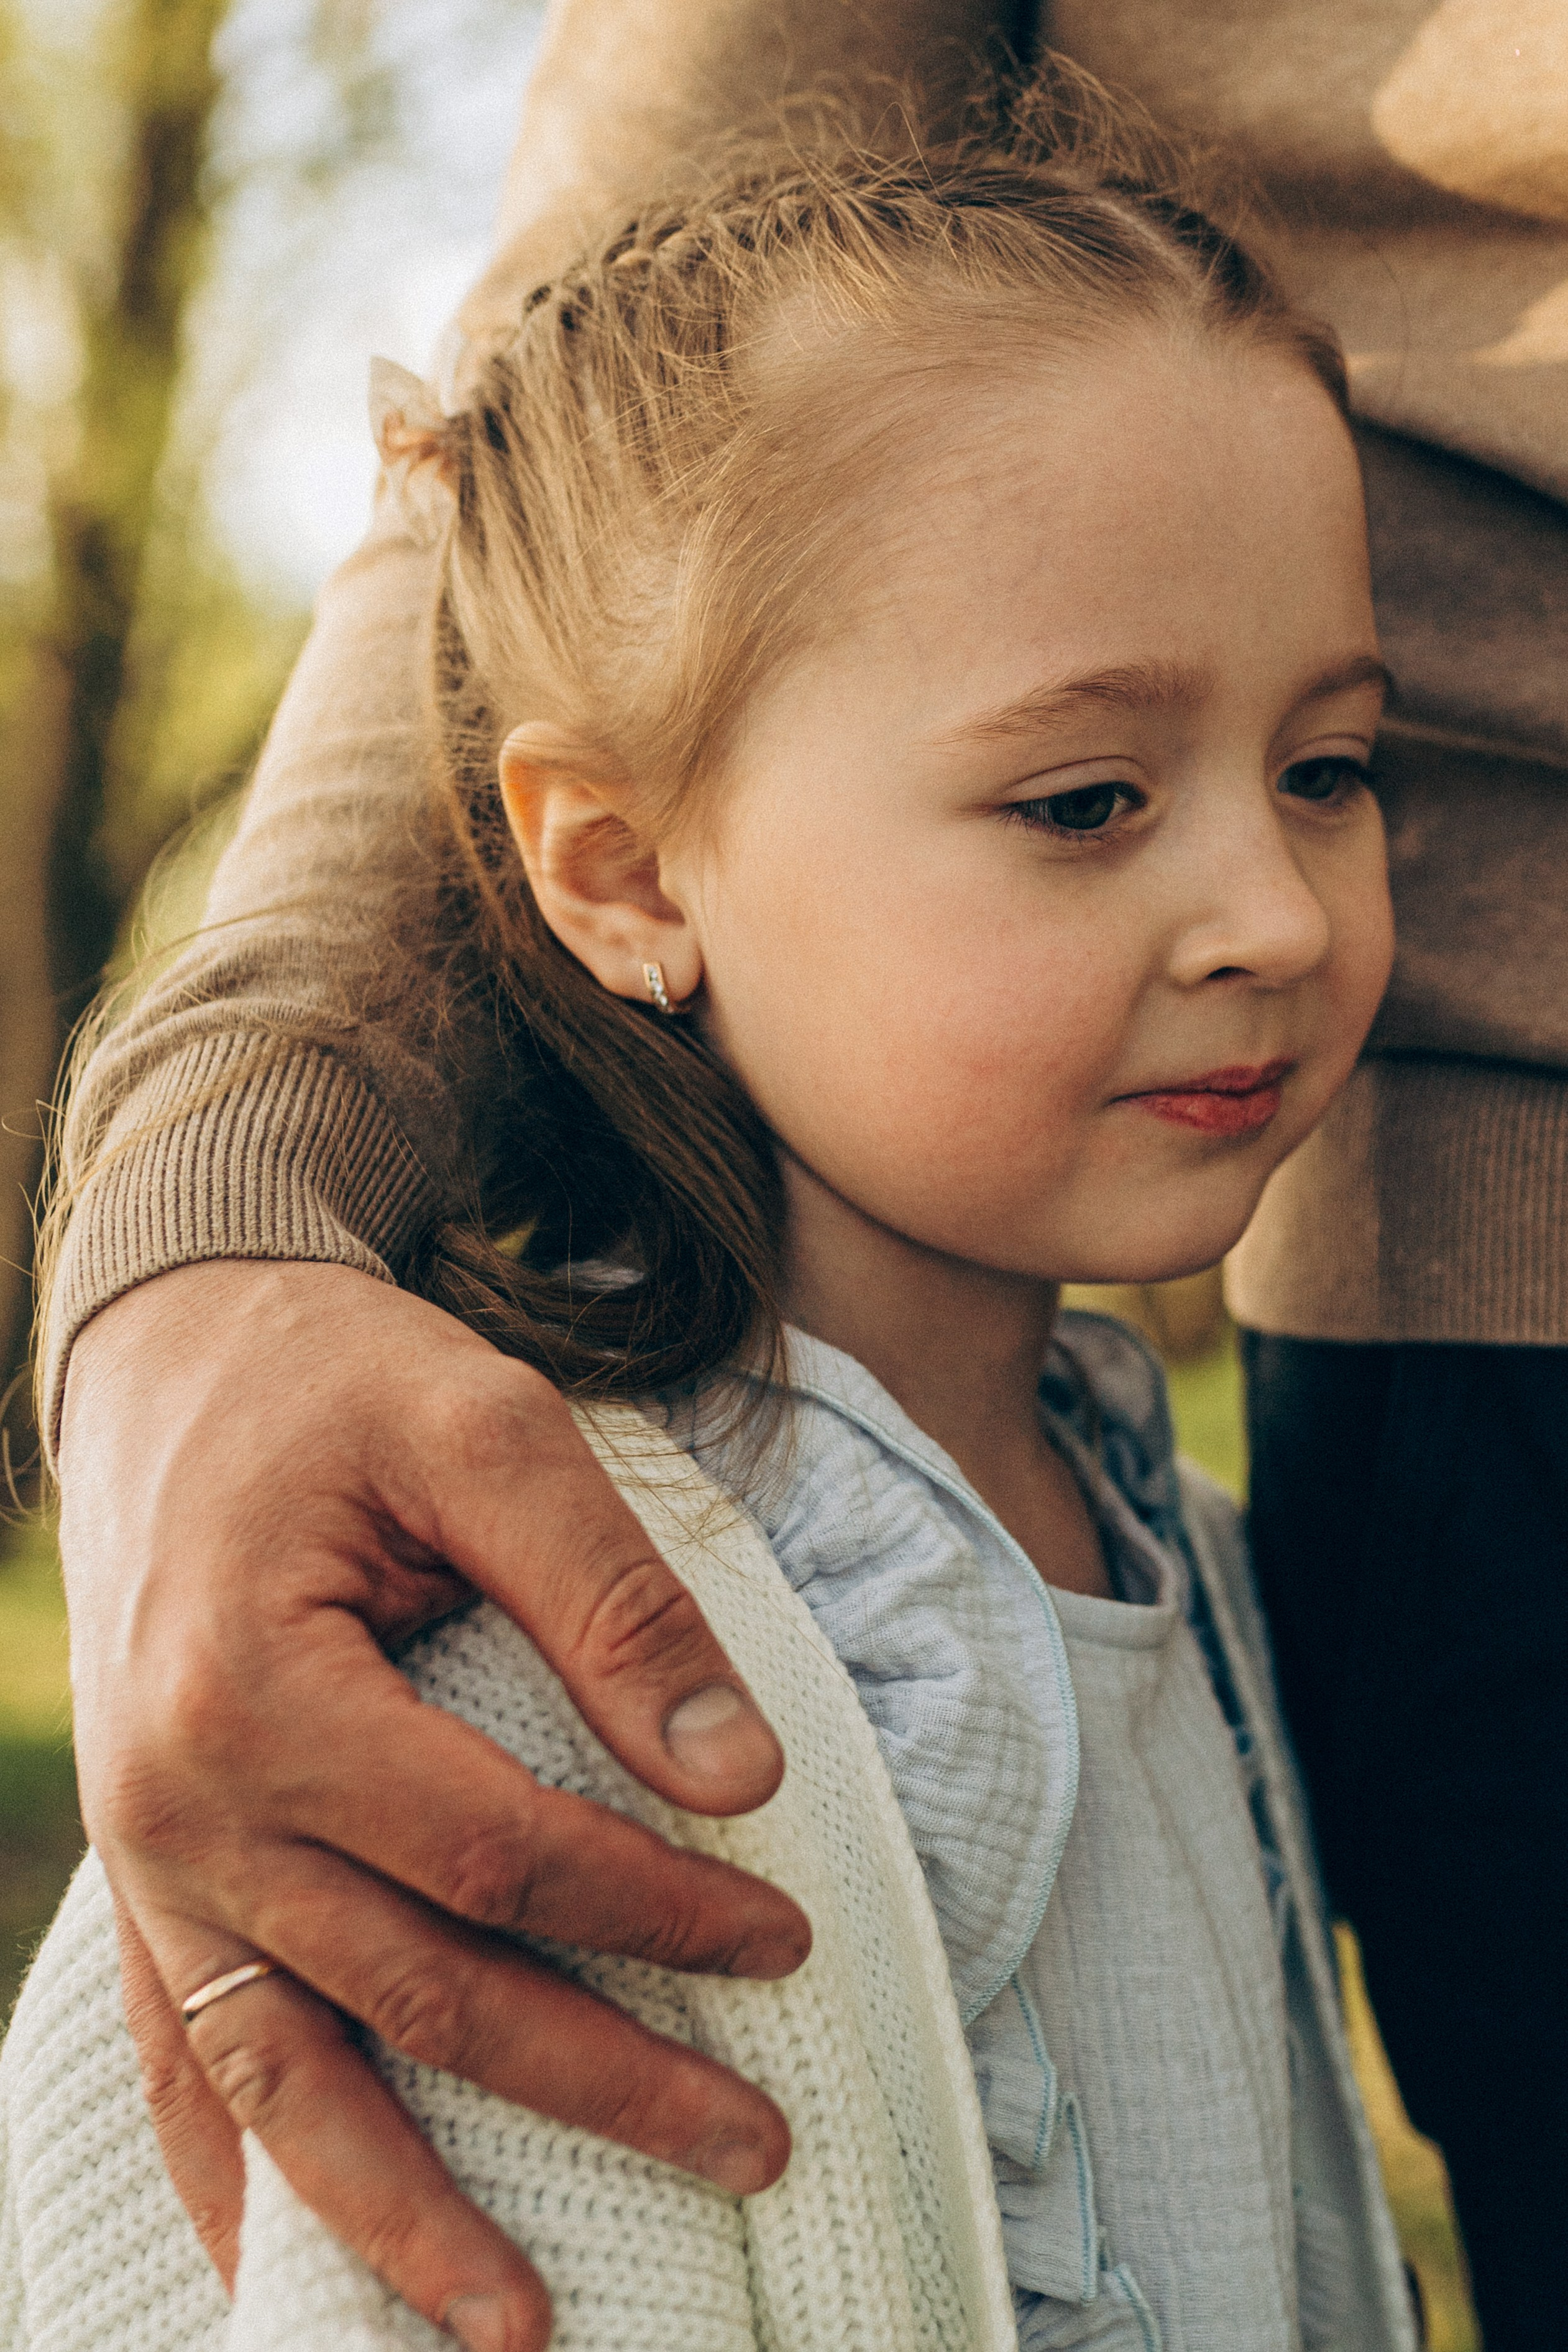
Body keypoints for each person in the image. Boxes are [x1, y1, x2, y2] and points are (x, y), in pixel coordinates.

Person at [34, 3, 1568, 2348]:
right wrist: (201, 1226)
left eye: (1334, 767)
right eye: (1083, 804)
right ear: (628, 871)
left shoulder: (1151, 1515)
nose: (1275, 912)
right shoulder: (594, 1673)